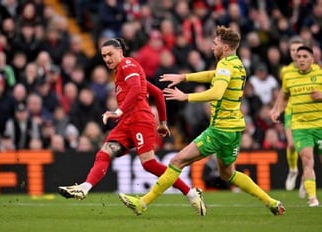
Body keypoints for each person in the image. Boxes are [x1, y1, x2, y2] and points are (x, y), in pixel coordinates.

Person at [119, 26, 285, 216]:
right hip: (234, 129)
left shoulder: (225, 65)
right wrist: (184, 77)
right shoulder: (237, 64)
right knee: (228, 174)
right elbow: (212, 75)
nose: (212, 47)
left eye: (215, 44)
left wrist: (185, 97)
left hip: (219, 130)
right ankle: (271, 202)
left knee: (176, 161)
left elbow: (216, 92)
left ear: (225, 47)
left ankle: (143, 203)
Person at [57, 38, 206, 215]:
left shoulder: (128, 64)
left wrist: (117, 112)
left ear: (120, 52)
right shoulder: (122, 72)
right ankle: (85, 187)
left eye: (110, 54)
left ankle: (191, 193)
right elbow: (157, 93)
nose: (107, 59)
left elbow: (136, 90)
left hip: (139, 119)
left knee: (149, 163)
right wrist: (163, 123)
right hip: (126, 122)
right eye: (104, 56)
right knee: (105, 151)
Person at [270, 45, 322, 207]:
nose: (301, 59)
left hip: (320, 125)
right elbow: (284, 95)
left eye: (305, 56)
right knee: (307, 161)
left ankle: (304, 182)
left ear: (312, 59)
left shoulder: (320, 73)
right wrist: (277, 109)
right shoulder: (289, 76)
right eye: (298, 56)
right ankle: (312, 198)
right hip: (300, 126)